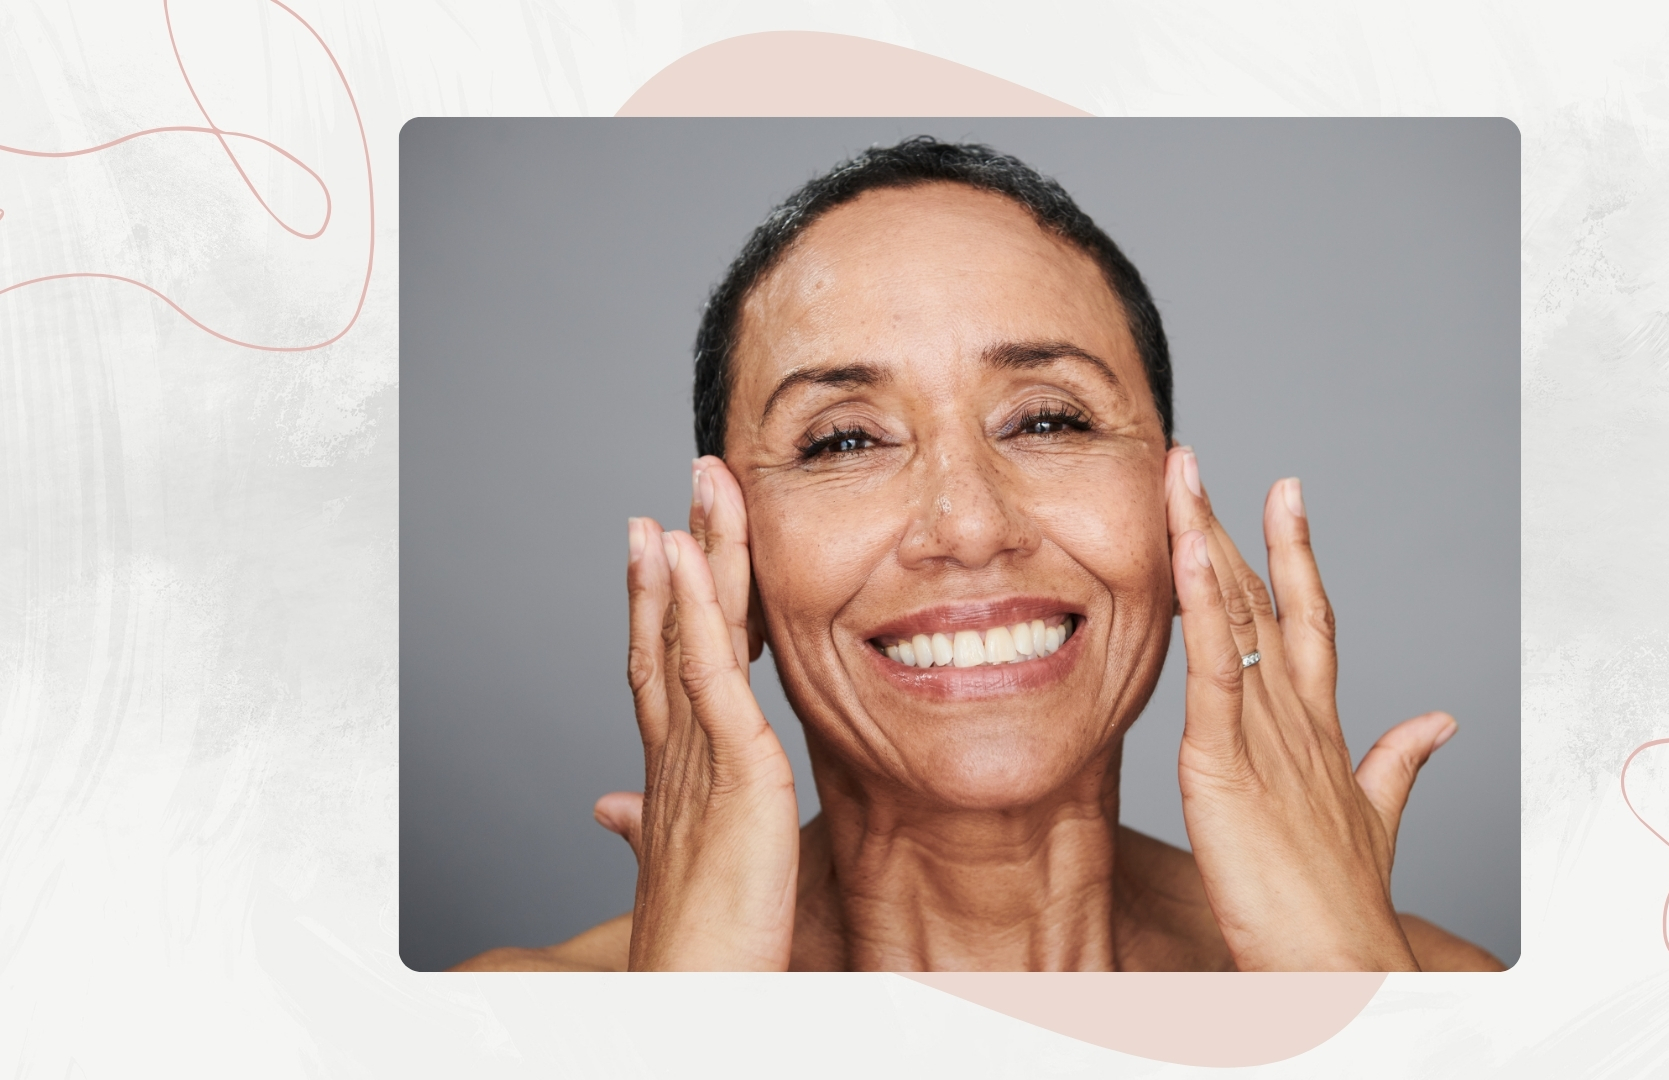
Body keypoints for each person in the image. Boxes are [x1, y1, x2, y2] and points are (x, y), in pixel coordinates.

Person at [454, 137, 1503, 972]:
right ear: (730, 566)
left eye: (1047, 423)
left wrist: (1343, 997)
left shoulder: (1433, 1000)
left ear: (1179, 515)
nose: (967, 526)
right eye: (845, 440)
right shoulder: (507, 1029)